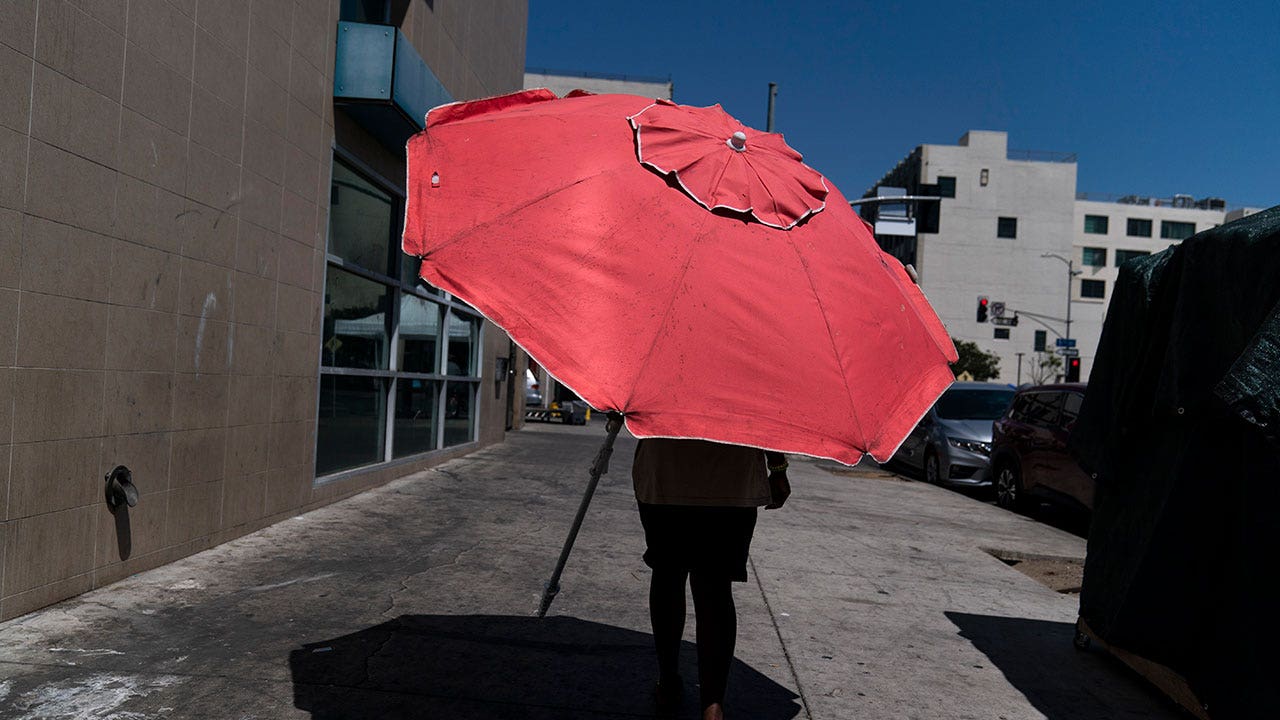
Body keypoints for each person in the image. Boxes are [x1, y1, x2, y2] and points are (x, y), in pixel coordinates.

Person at [632, 438, 791, 720]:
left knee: (668, 574)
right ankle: (712, 706)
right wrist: (777, 467)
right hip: (732, 473)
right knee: (714, 588)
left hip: (666, 467)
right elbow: (769, 415)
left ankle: (668, 682)